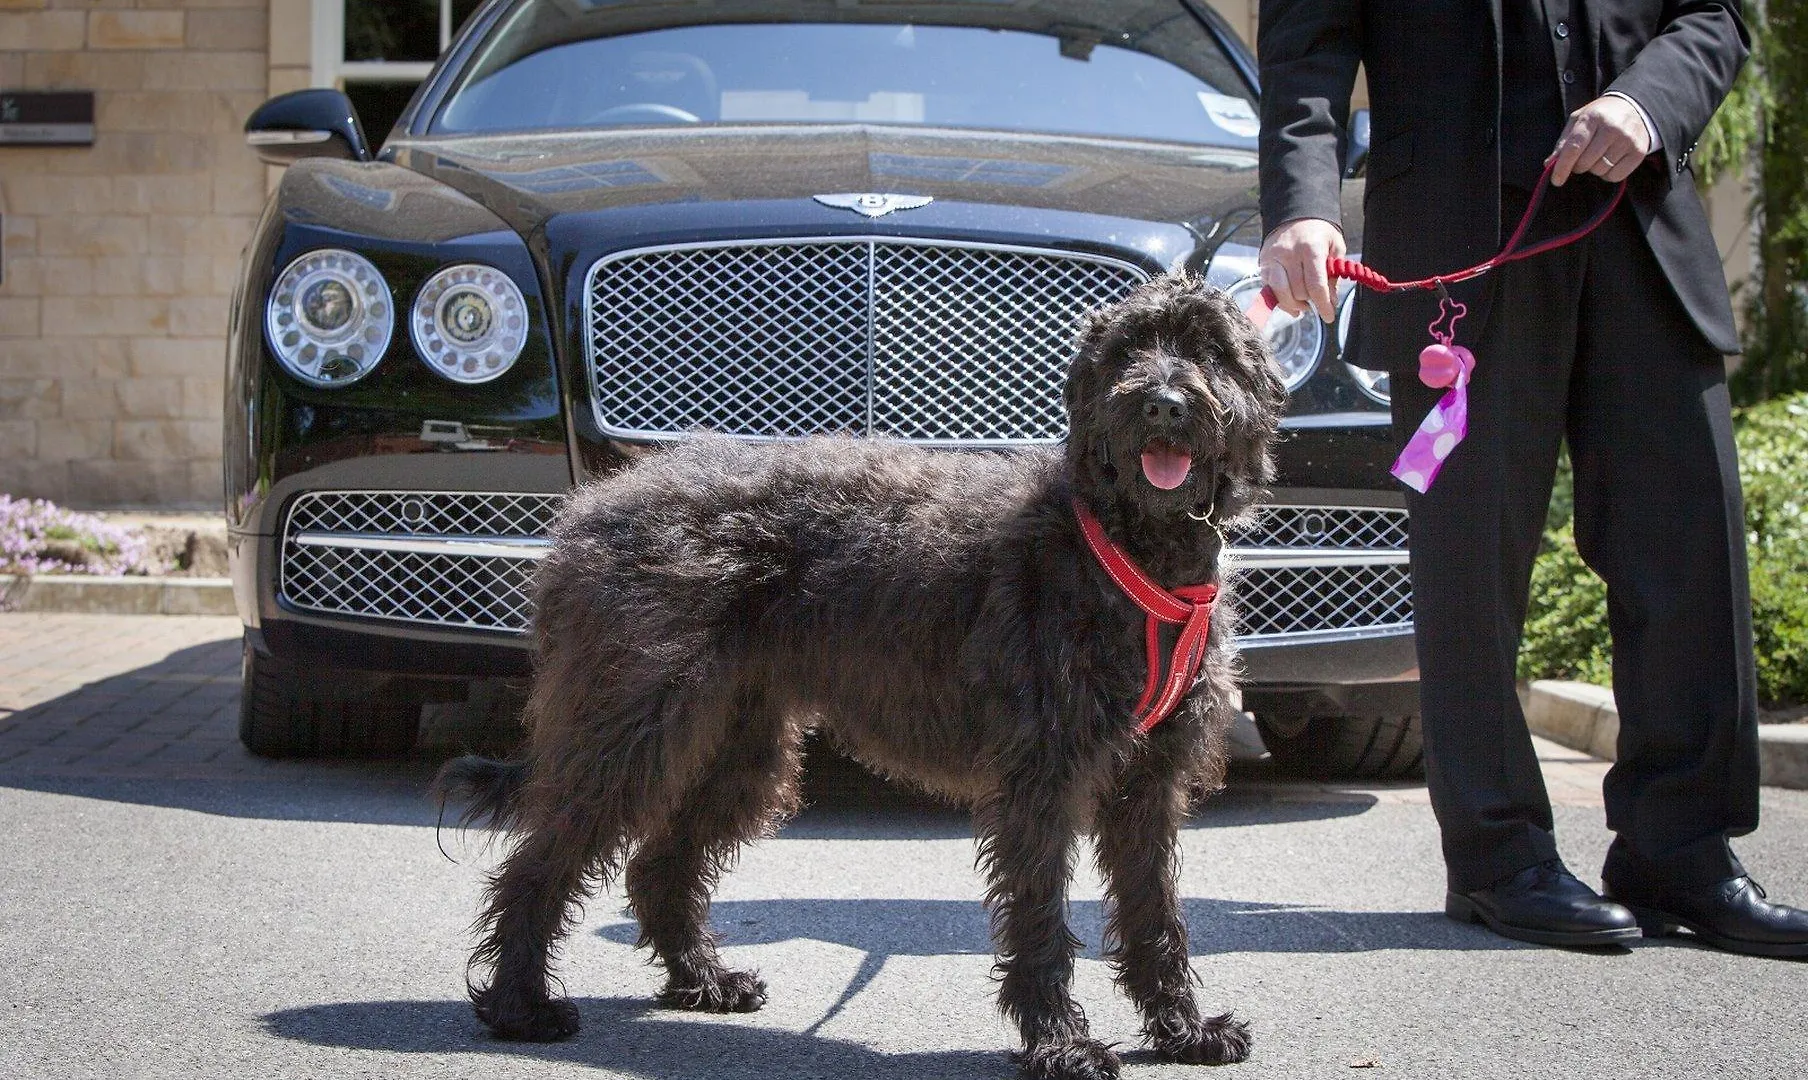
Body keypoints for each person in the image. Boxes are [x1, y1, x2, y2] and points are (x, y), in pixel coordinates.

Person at [1254, 0, 1808, 956]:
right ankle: (1498, 855)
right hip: (1457, 247)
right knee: (1469, 563)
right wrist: (1303, 203)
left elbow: (1713, 15)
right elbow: (1306, 43)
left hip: (1639, 227)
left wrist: (1645, 103)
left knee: (1688, 541)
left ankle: (1681, 847)